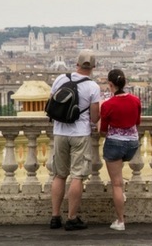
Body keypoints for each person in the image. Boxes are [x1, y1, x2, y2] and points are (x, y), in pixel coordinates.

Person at [50, 50, 101, 231]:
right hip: (79, 134)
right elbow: (94, 118)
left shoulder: (60, 79)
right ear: (93, 67)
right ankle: (72, 218)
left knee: (59, 175)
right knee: (77, 176)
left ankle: (55, 217)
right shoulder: (93, 87)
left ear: (76, 64)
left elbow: (52, 102)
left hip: (59, 132)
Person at [100, 69, 141, 231]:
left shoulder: (108, 105)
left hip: (115, 144)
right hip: (132, 144)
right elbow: (137, 123)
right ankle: (121, 195)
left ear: (110, 85)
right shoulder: (135, 100)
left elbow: (103, 131)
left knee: (116, 184)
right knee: (119, 177)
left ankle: (120, 221)